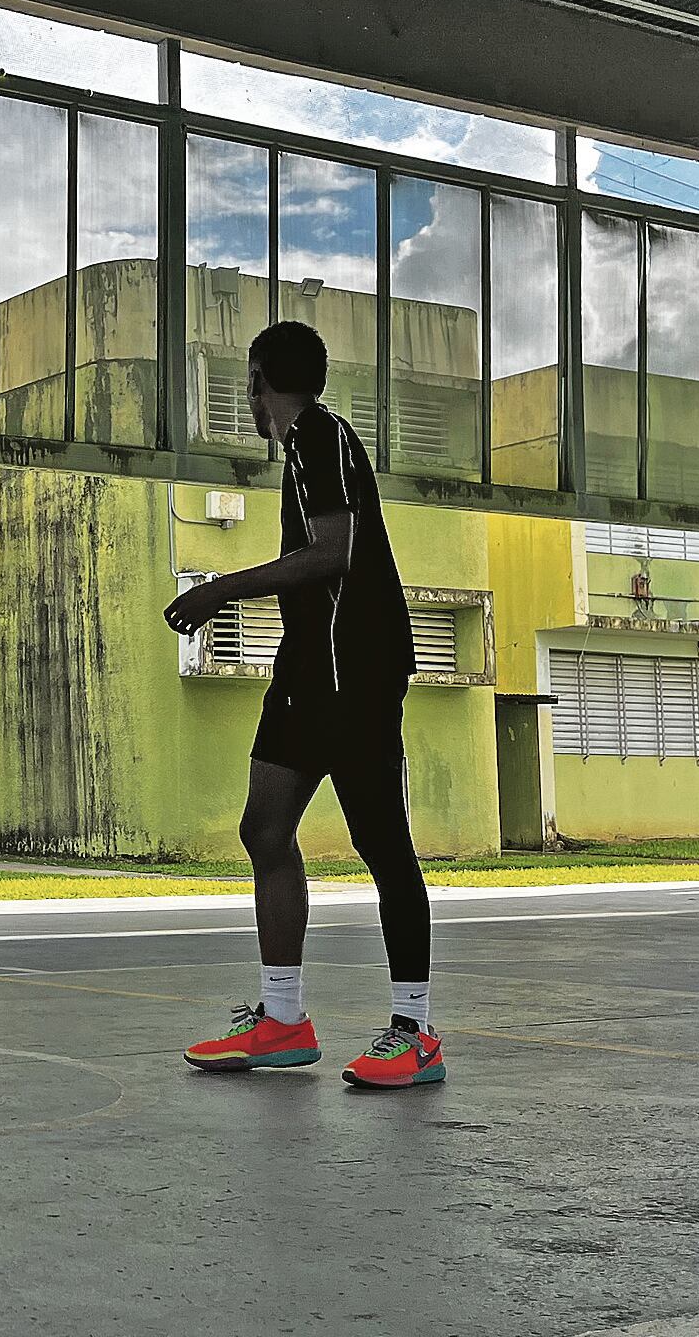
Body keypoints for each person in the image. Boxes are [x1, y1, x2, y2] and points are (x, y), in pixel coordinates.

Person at [166, 322, 442, 1089]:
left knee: (383, 844)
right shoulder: (301, 450)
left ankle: (415, 1033)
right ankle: (283, 1020)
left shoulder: (322, 437)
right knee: (265, 826)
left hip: (356, 671)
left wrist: (220, 588)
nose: (249, 398)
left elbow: (333, 551)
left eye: (249, 385)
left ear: (258, 382)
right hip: (306, 672)